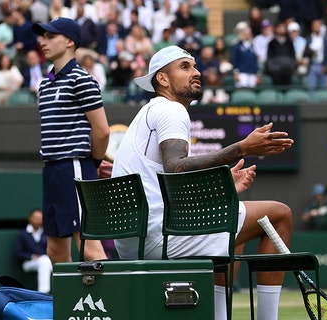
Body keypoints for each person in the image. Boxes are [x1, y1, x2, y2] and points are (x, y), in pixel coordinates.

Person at [111, 45, 295, 320]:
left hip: (131, 239)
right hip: (156, 237)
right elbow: (175, 169)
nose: (196, 72)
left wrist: (221, 187)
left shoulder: (148, 113)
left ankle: (220, 317)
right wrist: (243, 147)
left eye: (195, 66)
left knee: (234, 226)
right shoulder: (171, 111)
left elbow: (167, 184)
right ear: (162, 79)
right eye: (185, 67)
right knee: (280, 214)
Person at [32, 17, 110, 264]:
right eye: (43, 36)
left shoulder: (82, 79)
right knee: (54, 251)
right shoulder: (45, 83)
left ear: (69, 41)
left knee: (88, 247)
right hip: (51, 169)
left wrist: (93, 163)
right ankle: (67, 303)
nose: (43, 42)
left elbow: (102, 131)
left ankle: (111, 303)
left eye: (50, 36)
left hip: (75, 167)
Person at [14, 208, 53, 294]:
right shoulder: (23, 234)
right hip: (28, 263)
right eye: (36, 218)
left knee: (46, 262)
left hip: (45, 261)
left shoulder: (46, 233)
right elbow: (18, 253)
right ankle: (43, 292)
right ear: (30, 218)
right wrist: (33, 256)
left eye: (40, 218)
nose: (38, 221)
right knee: (44, 261)